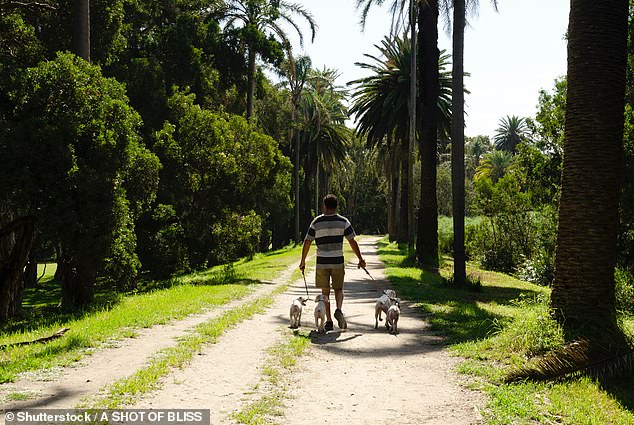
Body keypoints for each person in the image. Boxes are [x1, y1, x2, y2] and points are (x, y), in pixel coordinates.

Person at [299, 194, 366, 331]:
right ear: (336, 206)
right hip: (337, 261)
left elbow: (307, 241)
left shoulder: (316, 222)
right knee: (338, 288)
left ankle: (328, 320)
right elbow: (352, 241)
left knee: (325, 291)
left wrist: (303, 260)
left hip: (322, 262)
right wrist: (360, 259)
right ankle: (339, 309)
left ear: (324, 206)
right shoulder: (344, 221)